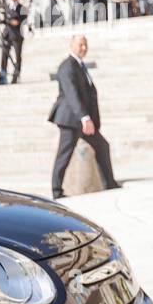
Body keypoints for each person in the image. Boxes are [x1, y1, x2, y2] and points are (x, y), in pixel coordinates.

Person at [48, 34, 119, 199]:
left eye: (85, 44)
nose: (84, 48)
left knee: (102, 145)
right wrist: (84, 117)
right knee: (64, 154)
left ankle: (110, 182)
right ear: (72, 45)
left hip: (82, 120)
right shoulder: (67, 67)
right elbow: (72, 94)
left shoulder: (80, 65)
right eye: (80, 44)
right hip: (71, 119)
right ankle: (56, 190)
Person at [0, 0, 25, 85]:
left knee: (18, 56)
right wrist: (8, 21)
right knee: (4, 54)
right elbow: (5, 20)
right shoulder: (7, 7)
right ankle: (3, 74)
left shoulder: (22, 8)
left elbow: (19, 21)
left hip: (17, 35)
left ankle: (16, 76)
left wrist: (12, 21)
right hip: (7, 34)